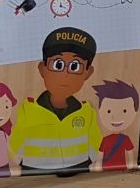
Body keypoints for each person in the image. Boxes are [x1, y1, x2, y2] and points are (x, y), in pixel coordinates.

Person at [10, 28, 103, 176]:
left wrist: (96, 162)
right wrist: (13, 164)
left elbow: (95, 144)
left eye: (75, 66)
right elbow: (17, 142)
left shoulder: (86, 112)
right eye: (58, 65)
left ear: (88, 73)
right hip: (34, 168)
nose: (65, 74)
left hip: (78, 165)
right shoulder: (29, 109)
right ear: (42, 69)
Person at [92, 80, 140, 172]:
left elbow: (130, 154)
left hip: (119, 165)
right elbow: (100, 153)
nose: (116, 117)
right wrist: (98, 166)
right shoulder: (105, 139)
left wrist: (131, 164)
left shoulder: (125, 139)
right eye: (109, 111)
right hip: (106, 166)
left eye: (124, 111)